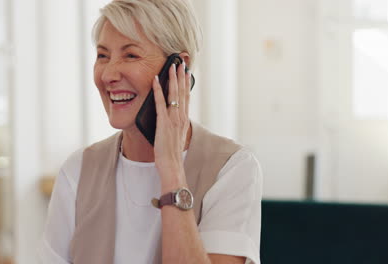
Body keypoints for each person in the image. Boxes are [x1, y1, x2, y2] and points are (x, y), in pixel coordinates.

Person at [39, 0, 262, 263]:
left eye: (130, 55)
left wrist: (172, 170)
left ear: (178, 67)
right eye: (102, 56)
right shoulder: (77, 171)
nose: (109, 74)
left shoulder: (231, 169)